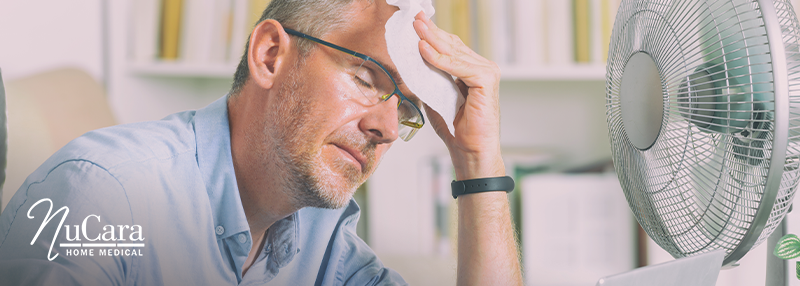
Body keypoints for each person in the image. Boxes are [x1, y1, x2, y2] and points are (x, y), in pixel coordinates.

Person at [0, 0, 522, 285]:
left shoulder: (322, 238)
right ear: (271, 55)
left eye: (407, 109)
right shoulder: (103, 197)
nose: (386, 128)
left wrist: (477, 160)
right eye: (365, 80)